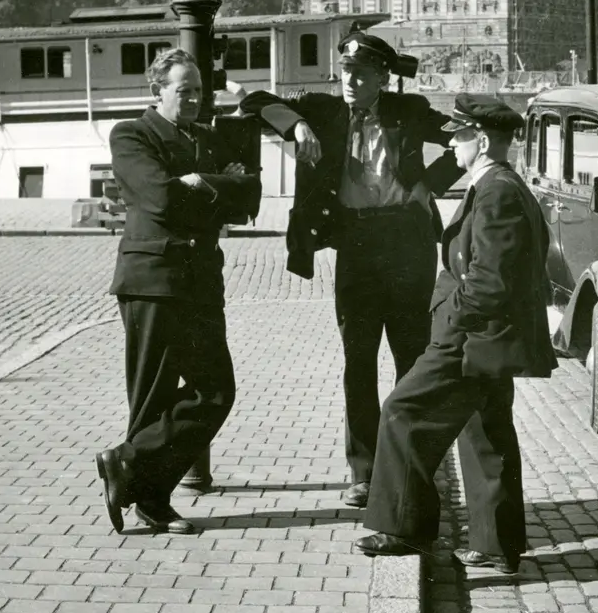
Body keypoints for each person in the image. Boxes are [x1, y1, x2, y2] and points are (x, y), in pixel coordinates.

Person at [239, 30, 463, 507]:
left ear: (383, 77)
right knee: (358, 362)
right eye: (345, 72)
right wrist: (295, 127)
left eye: (361, 74)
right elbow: (256, 101)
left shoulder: (410, 111)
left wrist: (429, 186)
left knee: (412, 357)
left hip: (407, 243)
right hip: (356, 247)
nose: (350, 81)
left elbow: (466, 139)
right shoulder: (323, 109)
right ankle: (364, 473)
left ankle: (411, 463)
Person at [355, 95, 557, 574]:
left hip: (472, 339)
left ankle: (404, 529)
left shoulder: (497, 191)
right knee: (486, 434)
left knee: (402, 411)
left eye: (460, 134)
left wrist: (449, 318)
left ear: (483, 140)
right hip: (488, 338)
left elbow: (491, 282)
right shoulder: (500, 186)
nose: (452, 141)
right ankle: (496, 547)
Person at [95, 48, 261, 535]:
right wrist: (214, 189)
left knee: (217, 391)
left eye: (198, 91)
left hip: (200, 280)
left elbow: (249, 197)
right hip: (153, 282)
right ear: (157, 91)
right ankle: (152, 499)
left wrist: (197, 182)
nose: (192, 98)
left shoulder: (207, 139)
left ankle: (126, 461)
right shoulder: (132, 135)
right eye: (182, 89)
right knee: (152, 395)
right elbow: (161, 198)